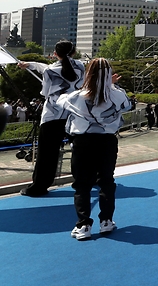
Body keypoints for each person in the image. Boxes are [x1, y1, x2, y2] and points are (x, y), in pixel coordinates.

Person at [55, 58, 131, 240]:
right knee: (106, 181)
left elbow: (60, 101)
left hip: (83, 142)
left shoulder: (78, 96)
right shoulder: (118, 95)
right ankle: (106, 221)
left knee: (82, 184)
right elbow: (127, 106)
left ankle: (83, 226)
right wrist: (111, 86)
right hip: (107, 142)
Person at [18, 40, 85, 197]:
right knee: (81, 149)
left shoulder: (50, 71)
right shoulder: (81, 66)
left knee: (47, 153)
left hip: (53, 115)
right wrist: (31, 64)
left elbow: (46, 92)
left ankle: (40, 186)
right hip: (75, 112)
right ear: (74, 52)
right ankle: (87, 178)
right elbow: (50, 69)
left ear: (55, 54)